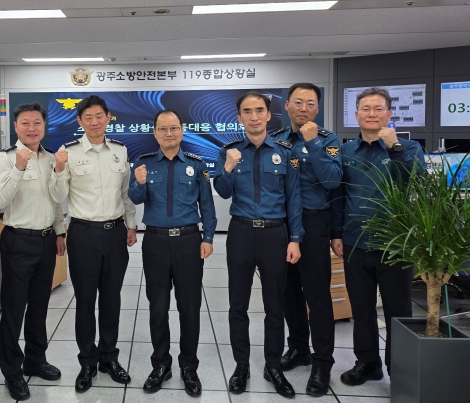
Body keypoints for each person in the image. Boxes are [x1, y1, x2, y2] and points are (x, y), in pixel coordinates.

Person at [331, 87, 425, 385]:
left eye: (378, 108)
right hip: (355, 241)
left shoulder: (408, 148)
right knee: (361, 308)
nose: (372, 114)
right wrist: (336, 233)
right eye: (366, 109)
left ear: (389, 113)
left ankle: (401, 369)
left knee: (399, 310)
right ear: (356, 114)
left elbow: (417, 183)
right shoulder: (346, 151)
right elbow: (338, 196)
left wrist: (394, 148)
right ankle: (368, 363)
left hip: (396, 244)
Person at [213, 92, 304, 399]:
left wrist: (295, 239)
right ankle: (241, 365)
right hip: (240, 233)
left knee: (275, 305)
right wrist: (227, 167)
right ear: (239, 117)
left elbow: (294, 198)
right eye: (247, 111)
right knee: (238, 304)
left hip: (275, 235)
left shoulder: (285, 152)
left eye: (259, 110)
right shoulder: (229, 152)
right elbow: (222, 191)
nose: (254, 116)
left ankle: (273, 365)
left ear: (268, 115)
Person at [49, 95, 137, 393]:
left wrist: (131, 224)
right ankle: (87, 361)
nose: (95, 121)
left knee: (111, 299)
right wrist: (58, 169)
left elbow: (125, 192)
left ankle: (109, 357)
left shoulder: (120, 151)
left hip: (115, 233)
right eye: (88, 117)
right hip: (83, 234)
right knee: (85, 301)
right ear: (80, 121)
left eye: (99, 116)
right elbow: (58, 196)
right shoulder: (68, 152)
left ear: (108, 117)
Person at [128, 109, 217, 396]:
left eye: (174, 128)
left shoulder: (196, 164)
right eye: (163, 129)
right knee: (157, 307)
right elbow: (135, 198)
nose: (169, 133)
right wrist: (139, 183)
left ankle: (189, 366)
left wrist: (208, 237)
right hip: (155, 242)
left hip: (189, 242)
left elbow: (207, 205)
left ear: (182, 131)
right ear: (155, 133)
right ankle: (161, 365)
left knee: (189, 308)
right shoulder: (143, 163)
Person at [269, 83, 342, 396]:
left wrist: (312, 143)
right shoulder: (276, 140)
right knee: (288, 292)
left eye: (310, 103)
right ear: (286, 106)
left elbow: (333, 181)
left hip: (313, 223)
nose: (304, 108)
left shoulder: (327, 140)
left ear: (317, 108)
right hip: (281, 224)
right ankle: (298, 347)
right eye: (297, 102)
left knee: (317, 295)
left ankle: (322, 362)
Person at [0, 102, 66, 401]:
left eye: (37, 122)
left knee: (39, 305)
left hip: (47, 239)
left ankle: (36, 358)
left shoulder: (50, 158)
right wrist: (19, 168)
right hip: (18, 240)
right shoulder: (6, 158)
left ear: (44, 126)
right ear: (16, 127)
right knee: (13, 308)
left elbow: (56, 199)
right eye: (25, 123)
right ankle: (12, 371)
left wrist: (59, 232)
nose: (31, 128)